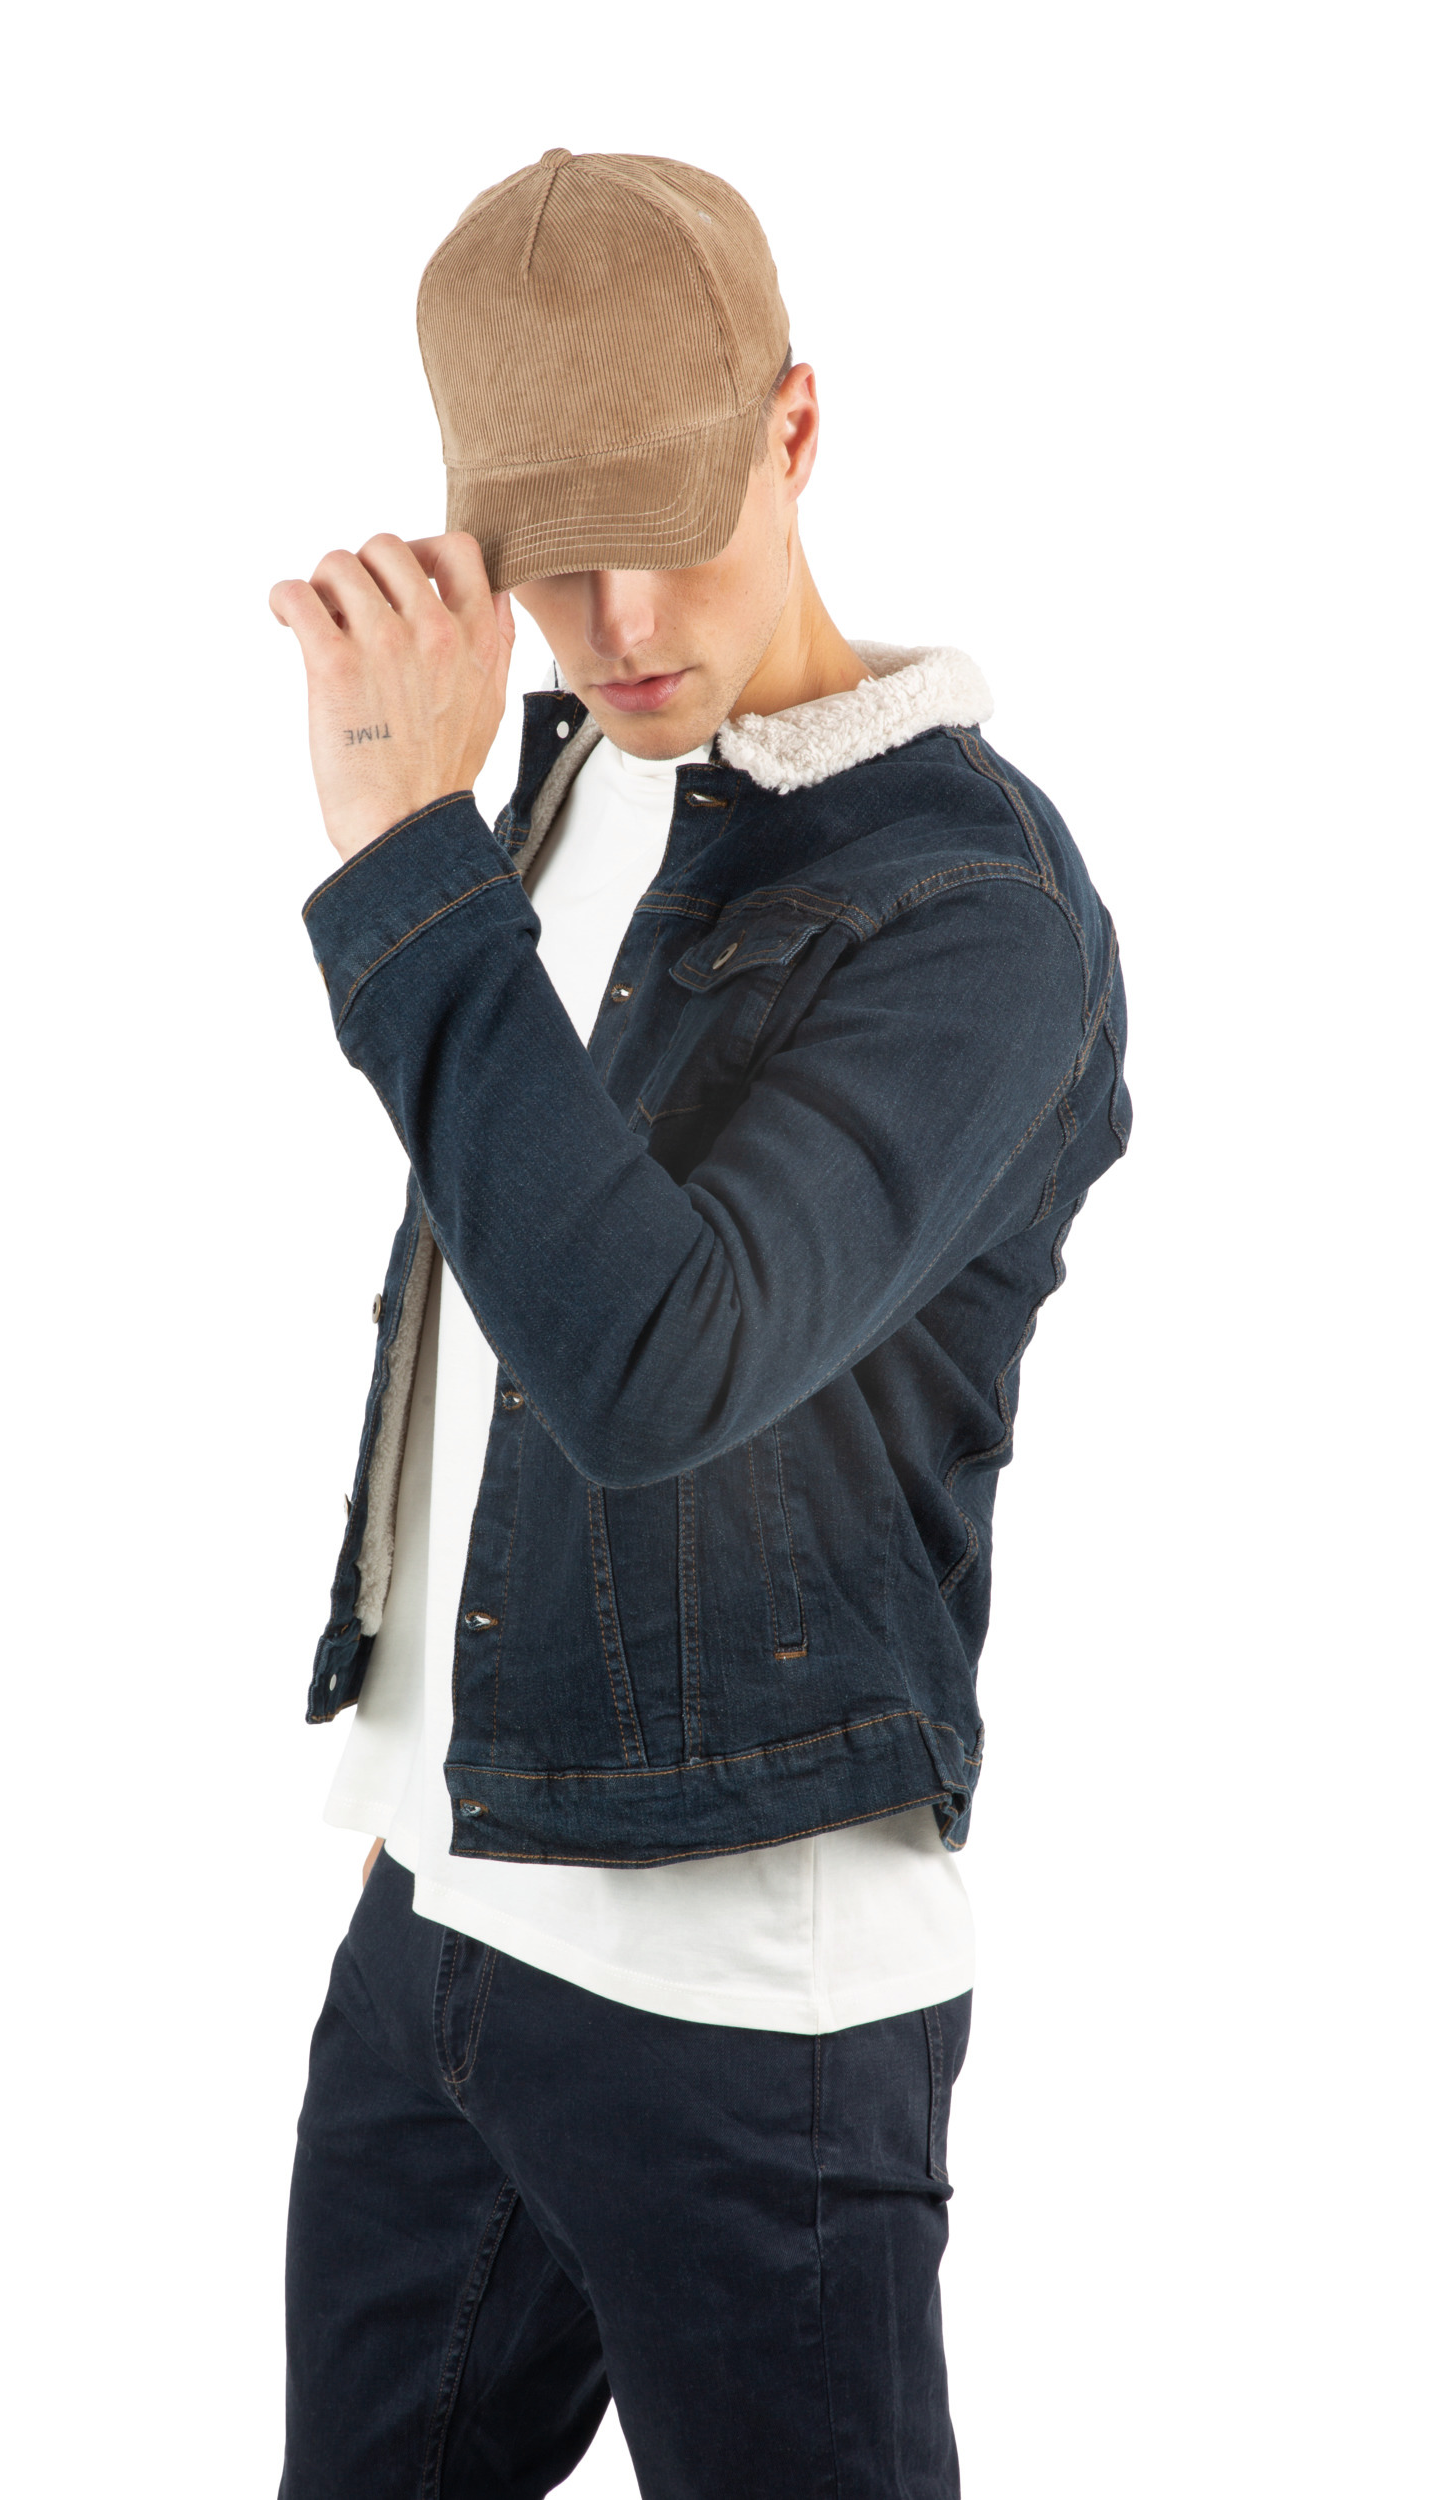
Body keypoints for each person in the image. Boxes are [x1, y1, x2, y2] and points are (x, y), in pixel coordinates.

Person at [268, 149, 1130, 2500]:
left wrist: (402, 869)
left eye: (667, 527)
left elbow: (658, 1364)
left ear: (797, 427)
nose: (623, 620)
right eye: (555, 560)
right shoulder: (561, 774)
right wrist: (417, 1811)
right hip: (444, 1915)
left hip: (751, 2005)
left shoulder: (974, 912)